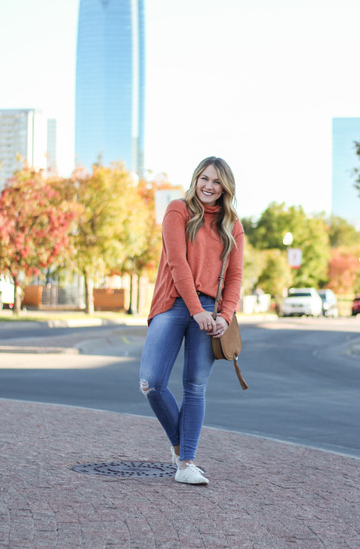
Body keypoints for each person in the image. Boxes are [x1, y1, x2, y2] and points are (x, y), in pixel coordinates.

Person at [139, 157, 244, 485]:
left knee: (195, 388)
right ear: (196, 179)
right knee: (151, 382)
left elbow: (236, 276)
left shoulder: (233, 225)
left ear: (225, 188)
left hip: (212, 311)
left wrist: (225, 316)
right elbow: (177, 263)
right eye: (204, 178)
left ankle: (186, 464)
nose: (209, 186)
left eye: (216, 181)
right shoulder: (178, 210)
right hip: (174, 304)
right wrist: (195, 309)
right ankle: (178, 444)